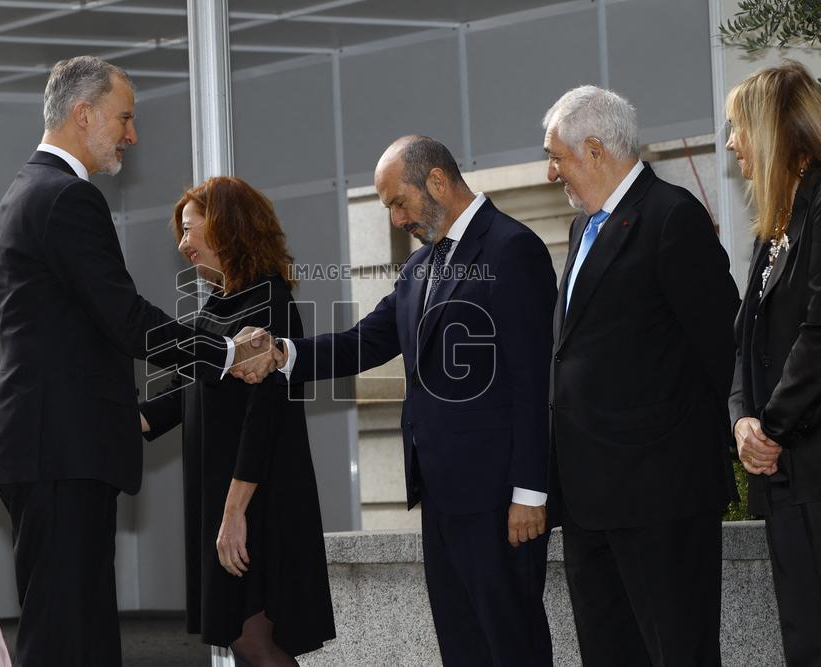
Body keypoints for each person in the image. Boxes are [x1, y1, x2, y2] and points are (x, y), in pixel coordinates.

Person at [0, 56, 275, 665]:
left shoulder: (26, 191)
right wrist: (223, 353)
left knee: (77, 632)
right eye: (124, 117)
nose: (131, 134)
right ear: (83, 113)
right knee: (68, 636)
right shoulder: (66, 197)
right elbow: (125, 317)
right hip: (62, 448)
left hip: (53, 446)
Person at [268, 135, 556, 666]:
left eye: (398, 202)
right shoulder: (418, 270)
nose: (397, 219)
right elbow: (362, 342)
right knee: (462, 648)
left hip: (498, 499)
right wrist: (282, 353)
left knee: (513, 646)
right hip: (440, 497)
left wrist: (530, 492)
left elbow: (534, 380)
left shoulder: (511, 248)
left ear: (438, 182)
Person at [542, 86, 739, 666]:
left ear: (596, 150)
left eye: (556, 156)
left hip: (662, 497)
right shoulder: (582, 231)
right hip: (587, 499)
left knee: (679, 653)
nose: (552, 172)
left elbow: (720, 345)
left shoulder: (671, 216)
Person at [138, 177, 335, 666]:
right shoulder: (220, 305)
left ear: (226, 226)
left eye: (189, 229)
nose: (183, 244)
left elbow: (264, 418)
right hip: (230, 497)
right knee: (244, 641)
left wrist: (233, 514)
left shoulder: (270, 300)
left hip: (257, 500)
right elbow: (191, 390)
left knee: (253, 640)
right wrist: (131, 419)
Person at [726, 59, 821, 666]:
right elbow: (746, 339)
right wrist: (742, 419)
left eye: (737, 126)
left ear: (771, 129)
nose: (732, 141)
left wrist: (773, 426)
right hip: (785, 475)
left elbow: (818, 331)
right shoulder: (772, 227)